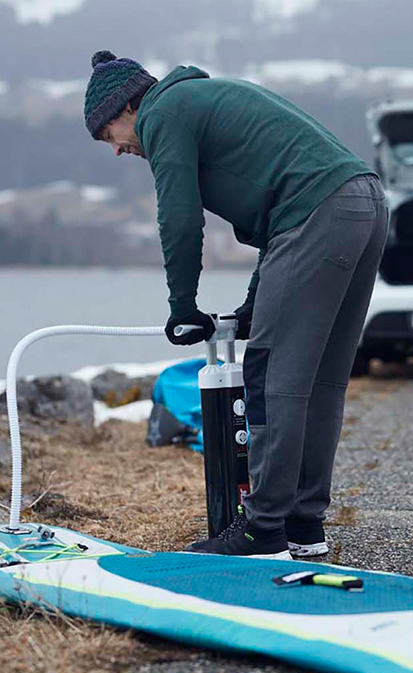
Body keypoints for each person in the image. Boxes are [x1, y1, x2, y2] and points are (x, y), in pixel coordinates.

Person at [84, 50, 387, 558]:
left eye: (106, 135)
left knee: (270, 376)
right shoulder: (203, 99)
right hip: (365, 203)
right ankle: (303, 526)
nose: (115, 150)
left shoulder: (163, 114)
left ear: (125, 109)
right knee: (320, 380)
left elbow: (179, 216)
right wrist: (253, 301)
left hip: (318, 212)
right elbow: (279, 214)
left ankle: (262, 529)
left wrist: (182, 305)